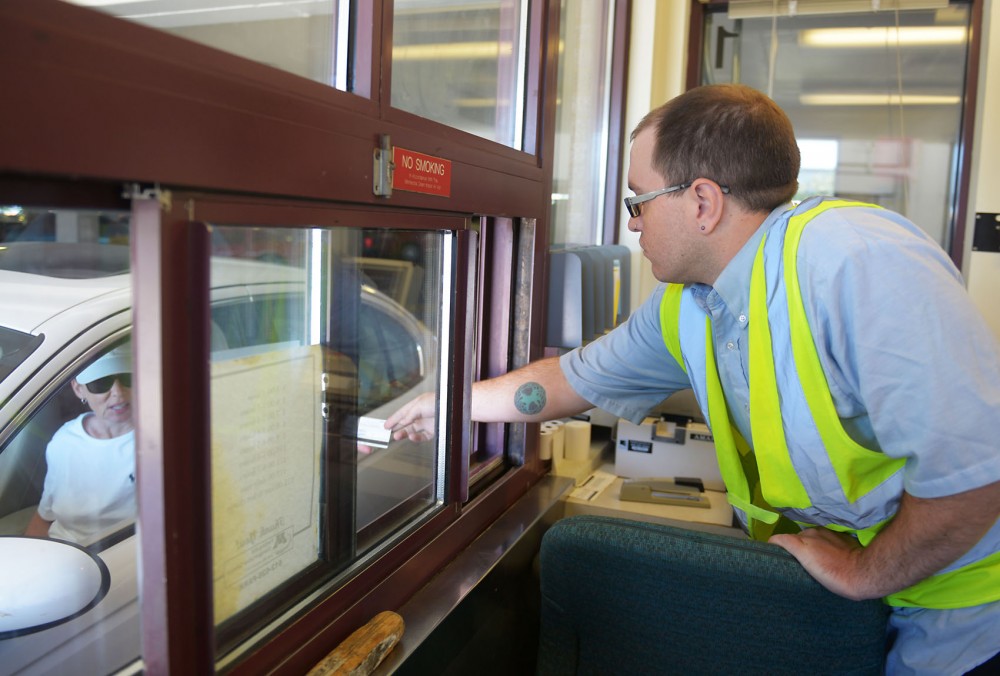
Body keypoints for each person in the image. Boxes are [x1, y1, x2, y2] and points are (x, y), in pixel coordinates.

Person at [386, 83, 1000, 675]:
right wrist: (450, 404)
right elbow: (574, 379)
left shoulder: (855, 263)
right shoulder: (690, 303)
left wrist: (867, 572)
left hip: (965, 610)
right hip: (853, 596)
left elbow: (975, 476)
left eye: (637, 200)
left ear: (702, 202)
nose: (632, 223)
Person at [24, 343, 136, 545]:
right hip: (61, 551)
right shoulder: (64, 441)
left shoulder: (161, 440)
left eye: (128, 378)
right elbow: (45, 516)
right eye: (101, 383)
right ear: (79, 389)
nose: (118, 392)